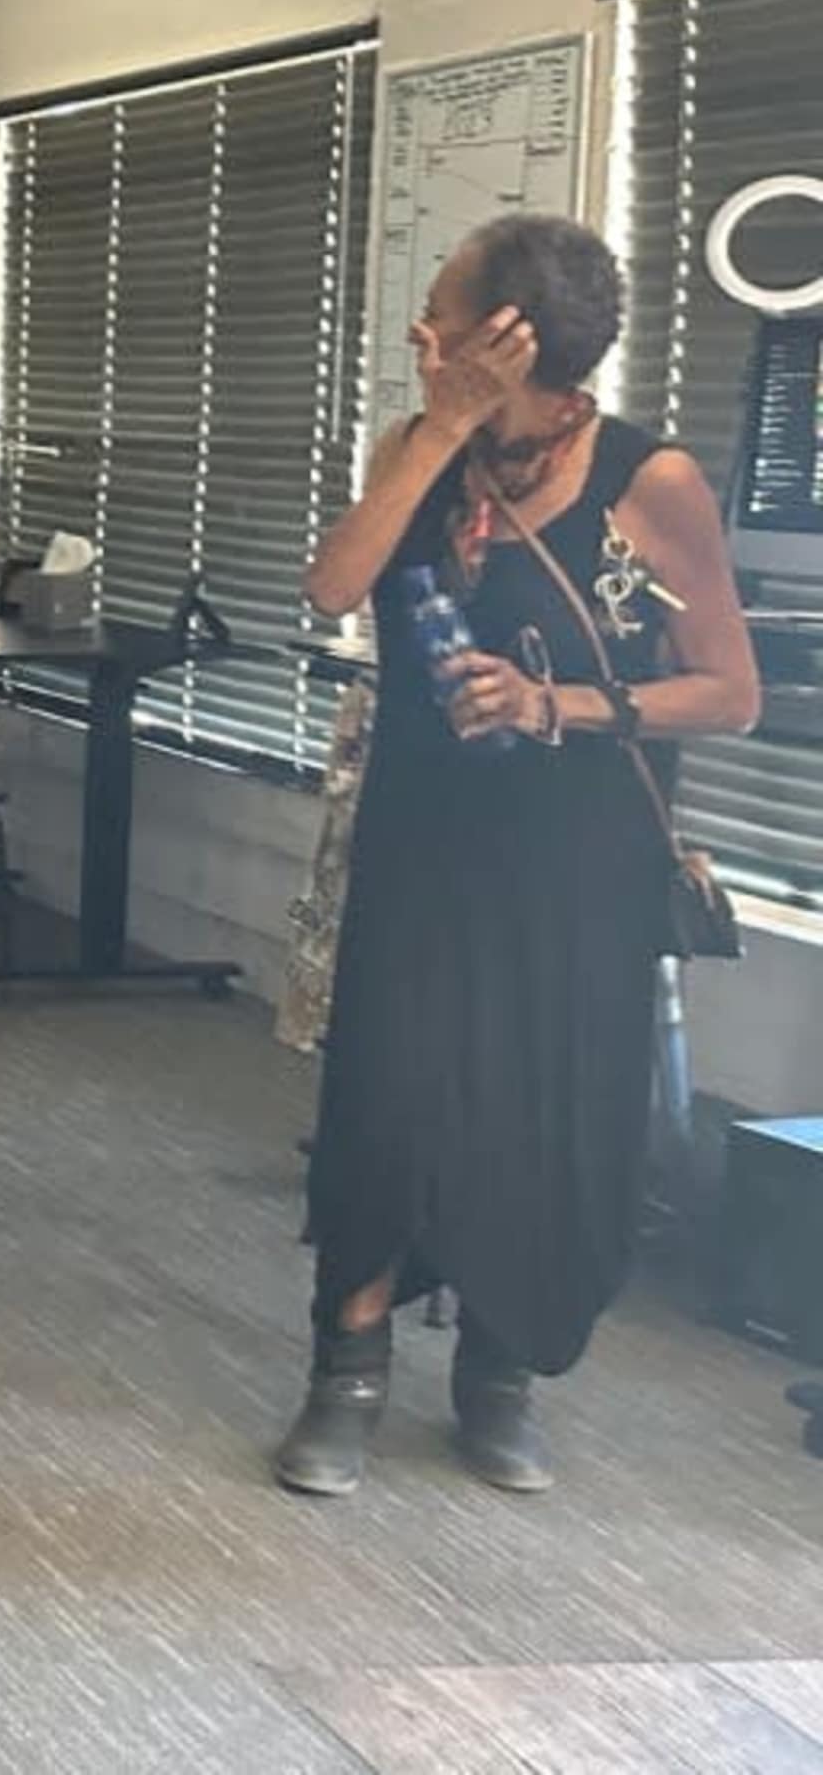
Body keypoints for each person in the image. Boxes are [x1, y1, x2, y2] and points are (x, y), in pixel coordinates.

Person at [273, 213, 757, 1499]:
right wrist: (436, 430)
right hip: (426, 835)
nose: (421, 333)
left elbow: (730, 691)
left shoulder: (650, 483)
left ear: (512, 337)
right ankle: (349, 1366)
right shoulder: (419, 453)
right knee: (390, 1091)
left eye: (443, 310)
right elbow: (332, 590)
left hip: (577, 859)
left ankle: (503, 1369)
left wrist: (560, 708)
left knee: (546, 1108)